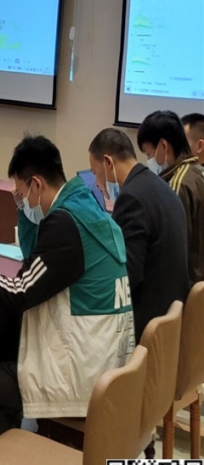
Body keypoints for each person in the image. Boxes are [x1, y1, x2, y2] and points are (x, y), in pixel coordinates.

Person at [0, 135, 133, 441]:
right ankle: (19, 449)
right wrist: (24, 208)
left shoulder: (66, 224)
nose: (21, 202)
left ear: (36, 184)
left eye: (21, 195)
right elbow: (34, 259)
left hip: (83, 373)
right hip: (108, 364)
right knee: (10, 346)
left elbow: (22, 290)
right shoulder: (86, 206)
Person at [88, 128, 190, 341]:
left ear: (108, 162)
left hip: (144, 326)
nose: (97, 183)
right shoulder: (162, 186)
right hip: (172, 319)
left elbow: (126, 276)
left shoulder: (131, 198)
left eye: (95, 173)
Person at [138, 110, 204, 284]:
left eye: (149, 154)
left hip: (184, 288)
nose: (149, 161)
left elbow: (170, 251)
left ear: (163, 146)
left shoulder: (177, 185)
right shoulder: (197, 172)